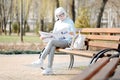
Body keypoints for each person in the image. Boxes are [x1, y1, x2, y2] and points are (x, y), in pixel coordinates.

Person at [32, 7, 76, 75]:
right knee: (52, 46)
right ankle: (49, 69)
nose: (61, 16)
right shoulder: (57, 23)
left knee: (52, 42)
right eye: (59, 15)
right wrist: (45, 37)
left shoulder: (69, 21)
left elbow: (74, 34)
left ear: (65, 13)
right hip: (58, 41)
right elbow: (54, 34)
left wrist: (69, 33)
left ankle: (41, 59)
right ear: (57, 16)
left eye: (62, 14)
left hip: (67, 42)